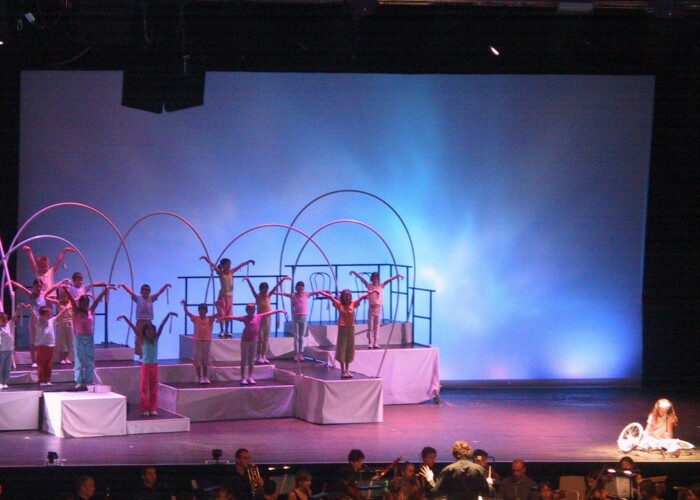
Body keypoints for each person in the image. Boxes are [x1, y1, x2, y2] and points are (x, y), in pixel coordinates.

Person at [118, 311, 177, 416]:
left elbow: (162, 325)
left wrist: (168, 315)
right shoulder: (142, 340)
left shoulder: (155, 339)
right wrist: (125, 317)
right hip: (145, 366)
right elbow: (134, 328)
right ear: (145, 332)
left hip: (154, 366)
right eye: (149, 330)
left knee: (154, 388)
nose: (151, 332)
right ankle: (145, 408)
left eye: (152, 330)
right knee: (144, 388)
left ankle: (153, 408)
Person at [63, 284, 115, 389]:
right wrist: (65, 289)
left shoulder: (90, 310)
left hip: (89, 338)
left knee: (89, 360)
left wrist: (104, 291)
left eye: (87, 303)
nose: (85, 304)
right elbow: (71, 299)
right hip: (79, 337)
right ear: (80, 303)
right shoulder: (76, 310)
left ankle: (88, 380)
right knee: (79, 359)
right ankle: (78, 380)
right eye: (83, 302)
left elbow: (97, 300)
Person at [317, 289, 376, 378]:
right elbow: (330, 297)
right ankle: (343, 370)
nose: (348, 297)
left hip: (351, 328)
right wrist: (322, 292)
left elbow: (361, 297)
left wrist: (369, 293)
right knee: (342, 348)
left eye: (349, 295)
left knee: (349, 348)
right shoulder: (339, 304)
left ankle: (347, 370)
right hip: (343, 328)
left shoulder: (353, 303)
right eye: (346, 296)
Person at [7, 277, 60, 367]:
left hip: (43, 320)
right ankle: (33, 361)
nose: (38, 288)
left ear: (42, 286)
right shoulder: (31, 295)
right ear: (34, 286)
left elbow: (53, 287)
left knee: (43, 340)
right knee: (33, 340)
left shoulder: (44, 294)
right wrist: (12, 282)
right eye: (37, 286)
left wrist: (62, 282)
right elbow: (22, 288)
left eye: (40, 286)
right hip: (34, 320)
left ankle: (42, 359)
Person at [230, 303, 287, 385]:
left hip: (253, 341)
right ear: (247, 310)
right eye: (249, 309)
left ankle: (250, 376)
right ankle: (243, 377)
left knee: (251, 360)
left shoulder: (258, 316)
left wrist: (280, 310)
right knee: (244, 359)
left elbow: (269, 313)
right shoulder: (244, 318)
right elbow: (232, 317)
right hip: (245, 341)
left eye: (252, 309)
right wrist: (222, 318)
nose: (251, 311)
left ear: (254, 310)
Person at [200, 256, 255, 337]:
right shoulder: (220, 273)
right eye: (227, 264)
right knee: (222, 314)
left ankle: (226, 330)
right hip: (222, 296)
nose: (229, 266)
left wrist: (248, 261)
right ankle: (222, 330)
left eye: (229, 264)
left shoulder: (231, 272)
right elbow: (213, 265)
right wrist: (207, 259)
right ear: (223, 265)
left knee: (228, 314)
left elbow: (240, 266)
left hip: (230, 296)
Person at [418, 440, 489, 500]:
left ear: (454, 453)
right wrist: (489, 483)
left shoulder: (448, 470)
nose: (433, 460)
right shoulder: (478, 469)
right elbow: (488, 492)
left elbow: (437, 493)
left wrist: (430, 479)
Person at [349, 271, 403, 348]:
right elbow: (362, 279)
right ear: (372, 279)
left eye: (376, 278)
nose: (375, 280)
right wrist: (354, 273)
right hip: (371, 309)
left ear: (378, 279)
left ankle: (375, 342)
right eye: (374, 278)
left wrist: (397, 275)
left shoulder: (381, 286)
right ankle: (370, 342)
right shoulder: (369, 285)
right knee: (370, 327)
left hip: (378, 309)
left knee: (377, 327)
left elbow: (389, 280)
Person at [243, 275, 290, 364]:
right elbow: (252, 289)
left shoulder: (268, 296)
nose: (265, 290)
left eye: (266, 289)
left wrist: (282, 279)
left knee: (266, 338)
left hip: (268, 319)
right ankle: (258, 356)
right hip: (260, 320)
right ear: (260, 289)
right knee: (260, 338)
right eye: (263, 289)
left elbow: (275, 287)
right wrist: (248, 280)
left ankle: (264, 355)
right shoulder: (258, 297)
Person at [272, 281, 324, 361]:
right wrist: (275, 292)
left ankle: (301, 354)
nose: (300, 290)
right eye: (298, 288)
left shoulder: (306, 295)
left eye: (301, 288)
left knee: (302, 337)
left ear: (303, 288)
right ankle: (296, 354)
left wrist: (325, 292)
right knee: (296, 336)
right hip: (296, 317)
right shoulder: (293, 295)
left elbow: (316, 292)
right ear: (296, 288)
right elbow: (284, 294)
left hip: (304, 317)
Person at [119, 282, 171, 358]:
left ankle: (148, 356)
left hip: (148, 322)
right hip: (140, 321)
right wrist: (123, 285)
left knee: (149, 339)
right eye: (144, 290)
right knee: (139, 339)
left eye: (148, 290)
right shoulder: (138, 298)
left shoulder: (151, 298)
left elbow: (159, 292)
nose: (146, 291)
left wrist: (165, 286)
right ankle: (141, 357)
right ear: (141, 291)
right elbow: (130, 292)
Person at [21, 304, 70, 386]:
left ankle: (47, 379)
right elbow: (34, 316)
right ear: (42, 315)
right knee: (42, 363)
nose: (49, 315)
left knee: (49, 364)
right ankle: (41, 380)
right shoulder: (39, 322)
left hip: (50, 345)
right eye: (48, 314)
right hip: (42, 345)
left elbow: (58, 315)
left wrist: (65, 309)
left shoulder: (51, 321)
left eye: (50, 314)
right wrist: (30, 309)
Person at [182, 300, 217, 384]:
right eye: (201, 310)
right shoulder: (196, 318)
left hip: (207, 340)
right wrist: (184, 305)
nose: (202, 311)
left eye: (203, 310)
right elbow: (187, 313)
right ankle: (199, 377)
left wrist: (217, 305)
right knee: (198, 360)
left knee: (205, 360)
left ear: (206, 311)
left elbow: (218, 314)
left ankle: (205, 377)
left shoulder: (209, 318)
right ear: (199, 310)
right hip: (198, 340)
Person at [0, 306, 20, 389]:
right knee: (0, 366)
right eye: (3, 320)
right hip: (1, 350)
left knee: (7, 367)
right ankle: (0, 382)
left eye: (5, 319)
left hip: (8, 349)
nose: (5, 321)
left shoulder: (8, 325)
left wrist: (18, 309)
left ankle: (5, 382)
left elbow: (14, 318)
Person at [56, 287, 74, 365]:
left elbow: (79, 297)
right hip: (61, 323)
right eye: (63, 294)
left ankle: (67, 358)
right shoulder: (58, 302)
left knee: (69, 341)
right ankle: (62, 358)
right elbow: (46, 297)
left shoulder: (71, 302)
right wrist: (58, 286)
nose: (64, 296)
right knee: (62, 341)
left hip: (70, 323)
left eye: (66, 294)